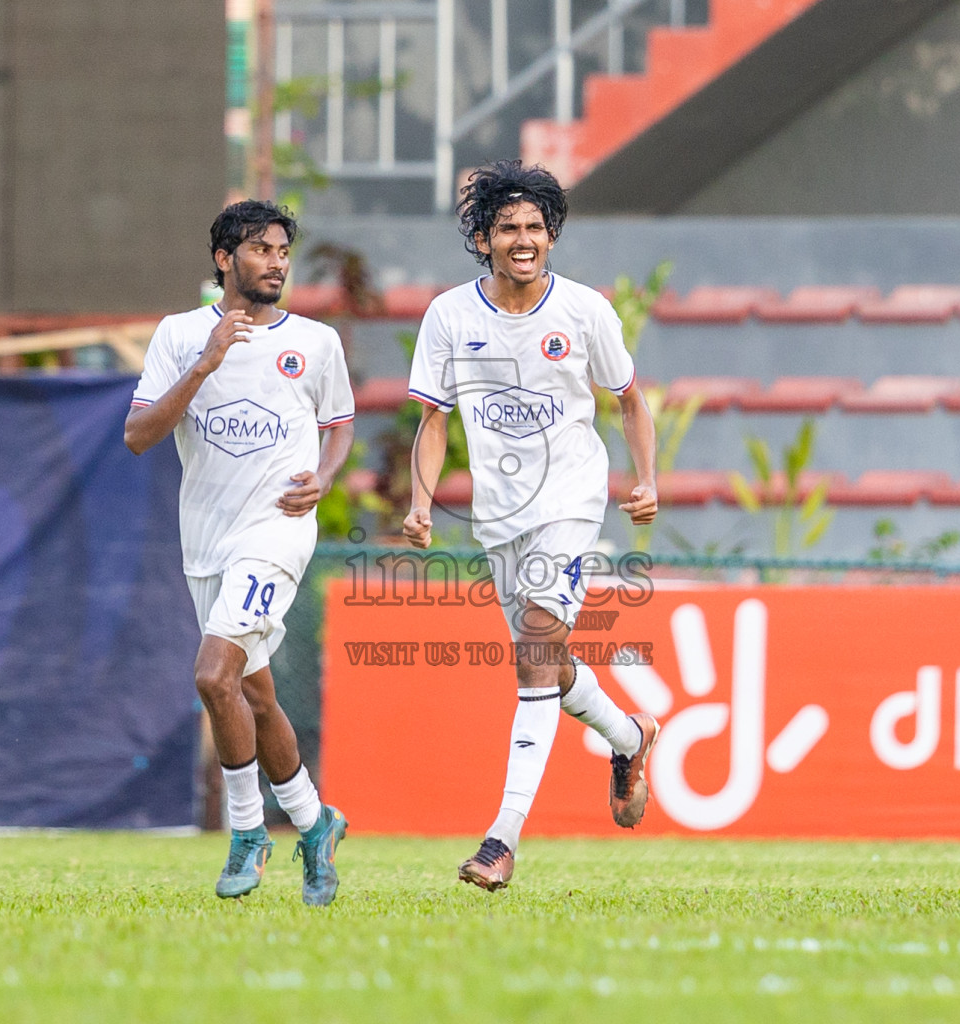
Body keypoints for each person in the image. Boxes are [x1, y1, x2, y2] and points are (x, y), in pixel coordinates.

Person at [402, 160, 660, 891]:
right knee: (547, 660)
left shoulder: (584, 312)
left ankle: (501, 837)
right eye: (508, 228)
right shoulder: (450, 316)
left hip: (573, 503)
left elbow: (630, 400)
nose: (523, 240)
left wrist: (645, 480)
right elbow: (432, 419)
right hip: (500, 518)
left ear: (552, 237)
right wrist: (422, 502)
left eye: (535, 228)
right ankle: (628, 734)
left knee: (537, 647)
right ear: (482, 238)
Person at [125, 200, 354, 906]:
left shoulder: (315, 343)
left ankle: (248, 832)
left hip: (276, 532)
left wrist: (325, 473)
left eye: (283, 250)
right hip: (206, 541)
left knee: (212, 676)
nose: (277, 262)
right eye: (260, 249)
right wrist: (204, 365)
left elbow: (339, 425)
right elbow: (139, 435)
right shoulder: (180, 335)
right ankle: (317, 824)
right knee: (253, 695)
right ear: (225, 259)